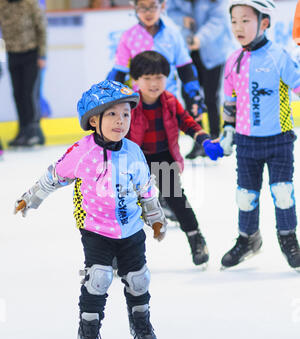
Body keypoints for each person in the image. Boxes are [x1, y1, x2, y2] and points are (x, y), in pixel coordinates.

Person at [14, 80, 167, 339]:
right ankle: (88, 328)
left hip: (131, 229)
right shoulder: (82, 152)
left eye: (125, 114)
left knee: (139, 279)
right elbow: (53, 177)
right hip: (96, 229)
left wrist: (155, 219)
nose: (120, 121)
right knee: (98, 278)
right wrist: (30, 197)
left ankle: (141, 321)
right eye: (112, 115)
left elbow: (147, 190)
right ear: (93, 120)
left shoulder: (133, 152)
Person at [220, 0, 300, 270]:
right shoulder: (234, 60)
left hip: (279, 139)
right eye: (234, 21)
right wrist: (228, 130)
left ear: (264, 23)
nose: (238, 27)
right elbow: (230, 99)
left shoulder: (279, 56)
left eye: (245, 20)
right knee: (246, 194)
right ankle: (249, 239)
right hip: (245, 142)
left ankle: (288, 238)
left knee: (283, 191)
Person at [128, 50, 224, 267]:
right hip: (137, 162)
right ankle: (120, 251)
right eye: (147, 78)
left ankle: (195, 238)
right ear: (135, 80)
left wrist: (205, 140)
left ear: (167, 78)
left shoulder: (170, 101)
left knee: (177, 200)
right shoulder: (129, 105)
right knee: (128, 205)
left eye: (159, 77)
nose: (154, 83)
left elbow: (187, 123)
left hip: (164, 159)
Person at [107, 0, 206, 122]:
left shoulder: (173, 35)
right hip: (139, 104)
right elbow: (119, 71)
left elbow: (185, 67)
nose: (148, 13)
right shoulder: (128, 36)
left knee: (169, 138)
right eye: (143, 8)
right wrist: (109, 96)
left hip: (168, 100)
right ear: (135, 8)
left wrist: (194, 95)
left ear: (162, 6)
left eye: (153, 7)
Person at [167, 0, 233, 159]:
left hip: (212, 53)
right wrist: (182, 19)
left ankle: (215, 138)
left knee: (211, 98)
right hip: (188, 54)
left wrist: (199, 39)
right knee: (190, 97)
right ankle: (199, 142)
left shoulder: (215, 3)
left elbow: (217, 21)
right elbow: (171, 9)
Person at [0, 0, 46, 147]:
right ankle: (22, 131)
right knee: (17, 94)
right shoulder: (2, 5)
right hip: (12, 54)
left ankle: (33, 131)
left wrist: (42, 55)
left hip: (31, 54)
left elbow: (41, 28)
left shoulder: (30, 3)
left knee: (29, 93)